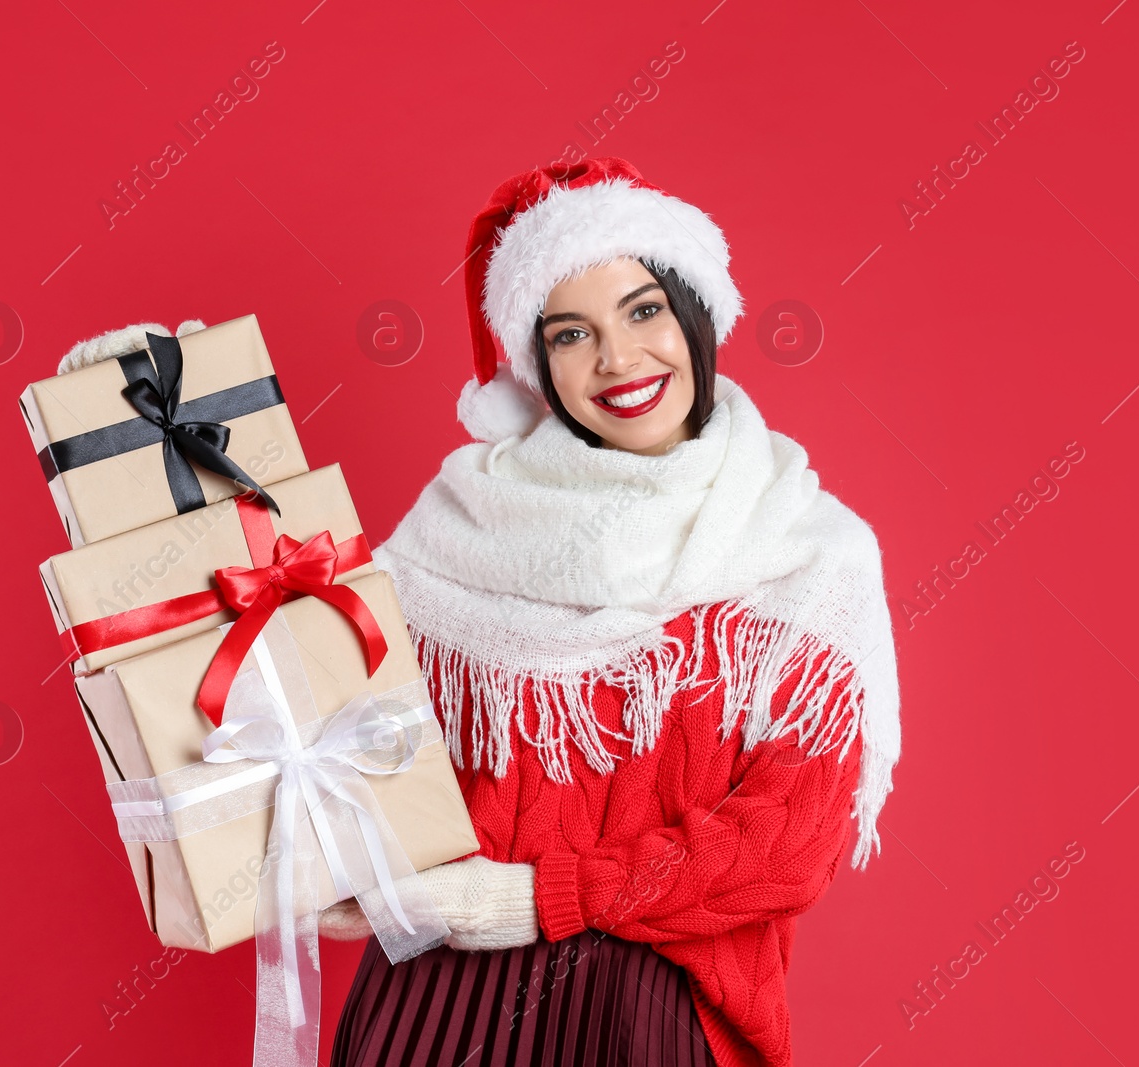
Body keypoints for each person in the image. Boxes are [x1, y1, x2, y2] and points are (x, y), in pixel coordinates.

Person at [322, 158, 903, 1067]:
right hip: (433, 1004)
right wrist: (167, 428)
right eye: (570, 334)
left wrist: (532, 899)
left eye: (643, 311)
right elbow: (305, 705)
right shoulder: (459, 526)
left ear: (696, 312)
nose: (619, 360)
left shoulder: (806, 551)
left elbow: (787, 846)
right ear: (538, 363)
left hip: (647, 1015)